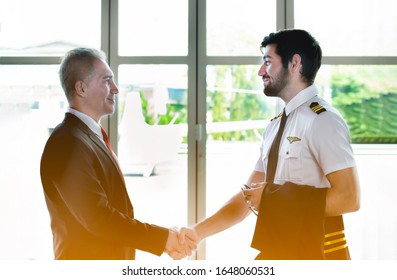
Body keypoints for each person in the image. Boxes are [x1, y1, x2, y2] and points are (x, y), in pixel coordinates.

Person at [179, 29, 361, 260]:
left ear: (294, 63)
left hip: (317, 252)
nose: (260, 71)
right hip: (279, 246)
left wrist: (275, 199)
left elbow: (349, 198)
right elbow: (248, 197)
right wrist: (196, 232)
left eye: (267, 62)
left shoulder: (323, 120)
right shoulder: (275, 126)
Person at [40, 48, 194, 260]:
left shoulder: (87, 136)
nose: (115, 89)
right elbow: (98, 218)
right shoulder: (67, 143)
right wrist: (164, 239)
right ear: (81, 88)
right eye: (106, 80)